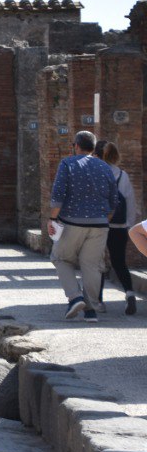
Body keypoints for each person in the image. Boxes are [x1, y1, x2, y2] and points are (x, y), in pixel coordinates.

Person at [48, 130, 118, 323]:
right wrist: (104, 218)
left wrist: (52, 218)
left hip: (72, 221)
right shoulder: (105, 167)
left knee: (60, 258)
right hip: (100, 223)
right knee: (92, 266)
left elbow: (58, 193)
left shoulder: (67, 164)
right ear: (93, 148)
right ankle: (91, 310)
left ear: (76, 146)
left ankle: (75, 297)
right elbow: (114, 199)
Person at [95, 141, 138, 315]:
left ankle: (98, 301)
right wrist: (129, 224)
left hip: (99, 225)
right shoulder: (122, 175)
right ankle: (129, 293)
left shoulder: (95, 174)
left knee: (97, 263)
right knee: (119, 262)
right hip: (119, 225)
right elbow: (130, 201)